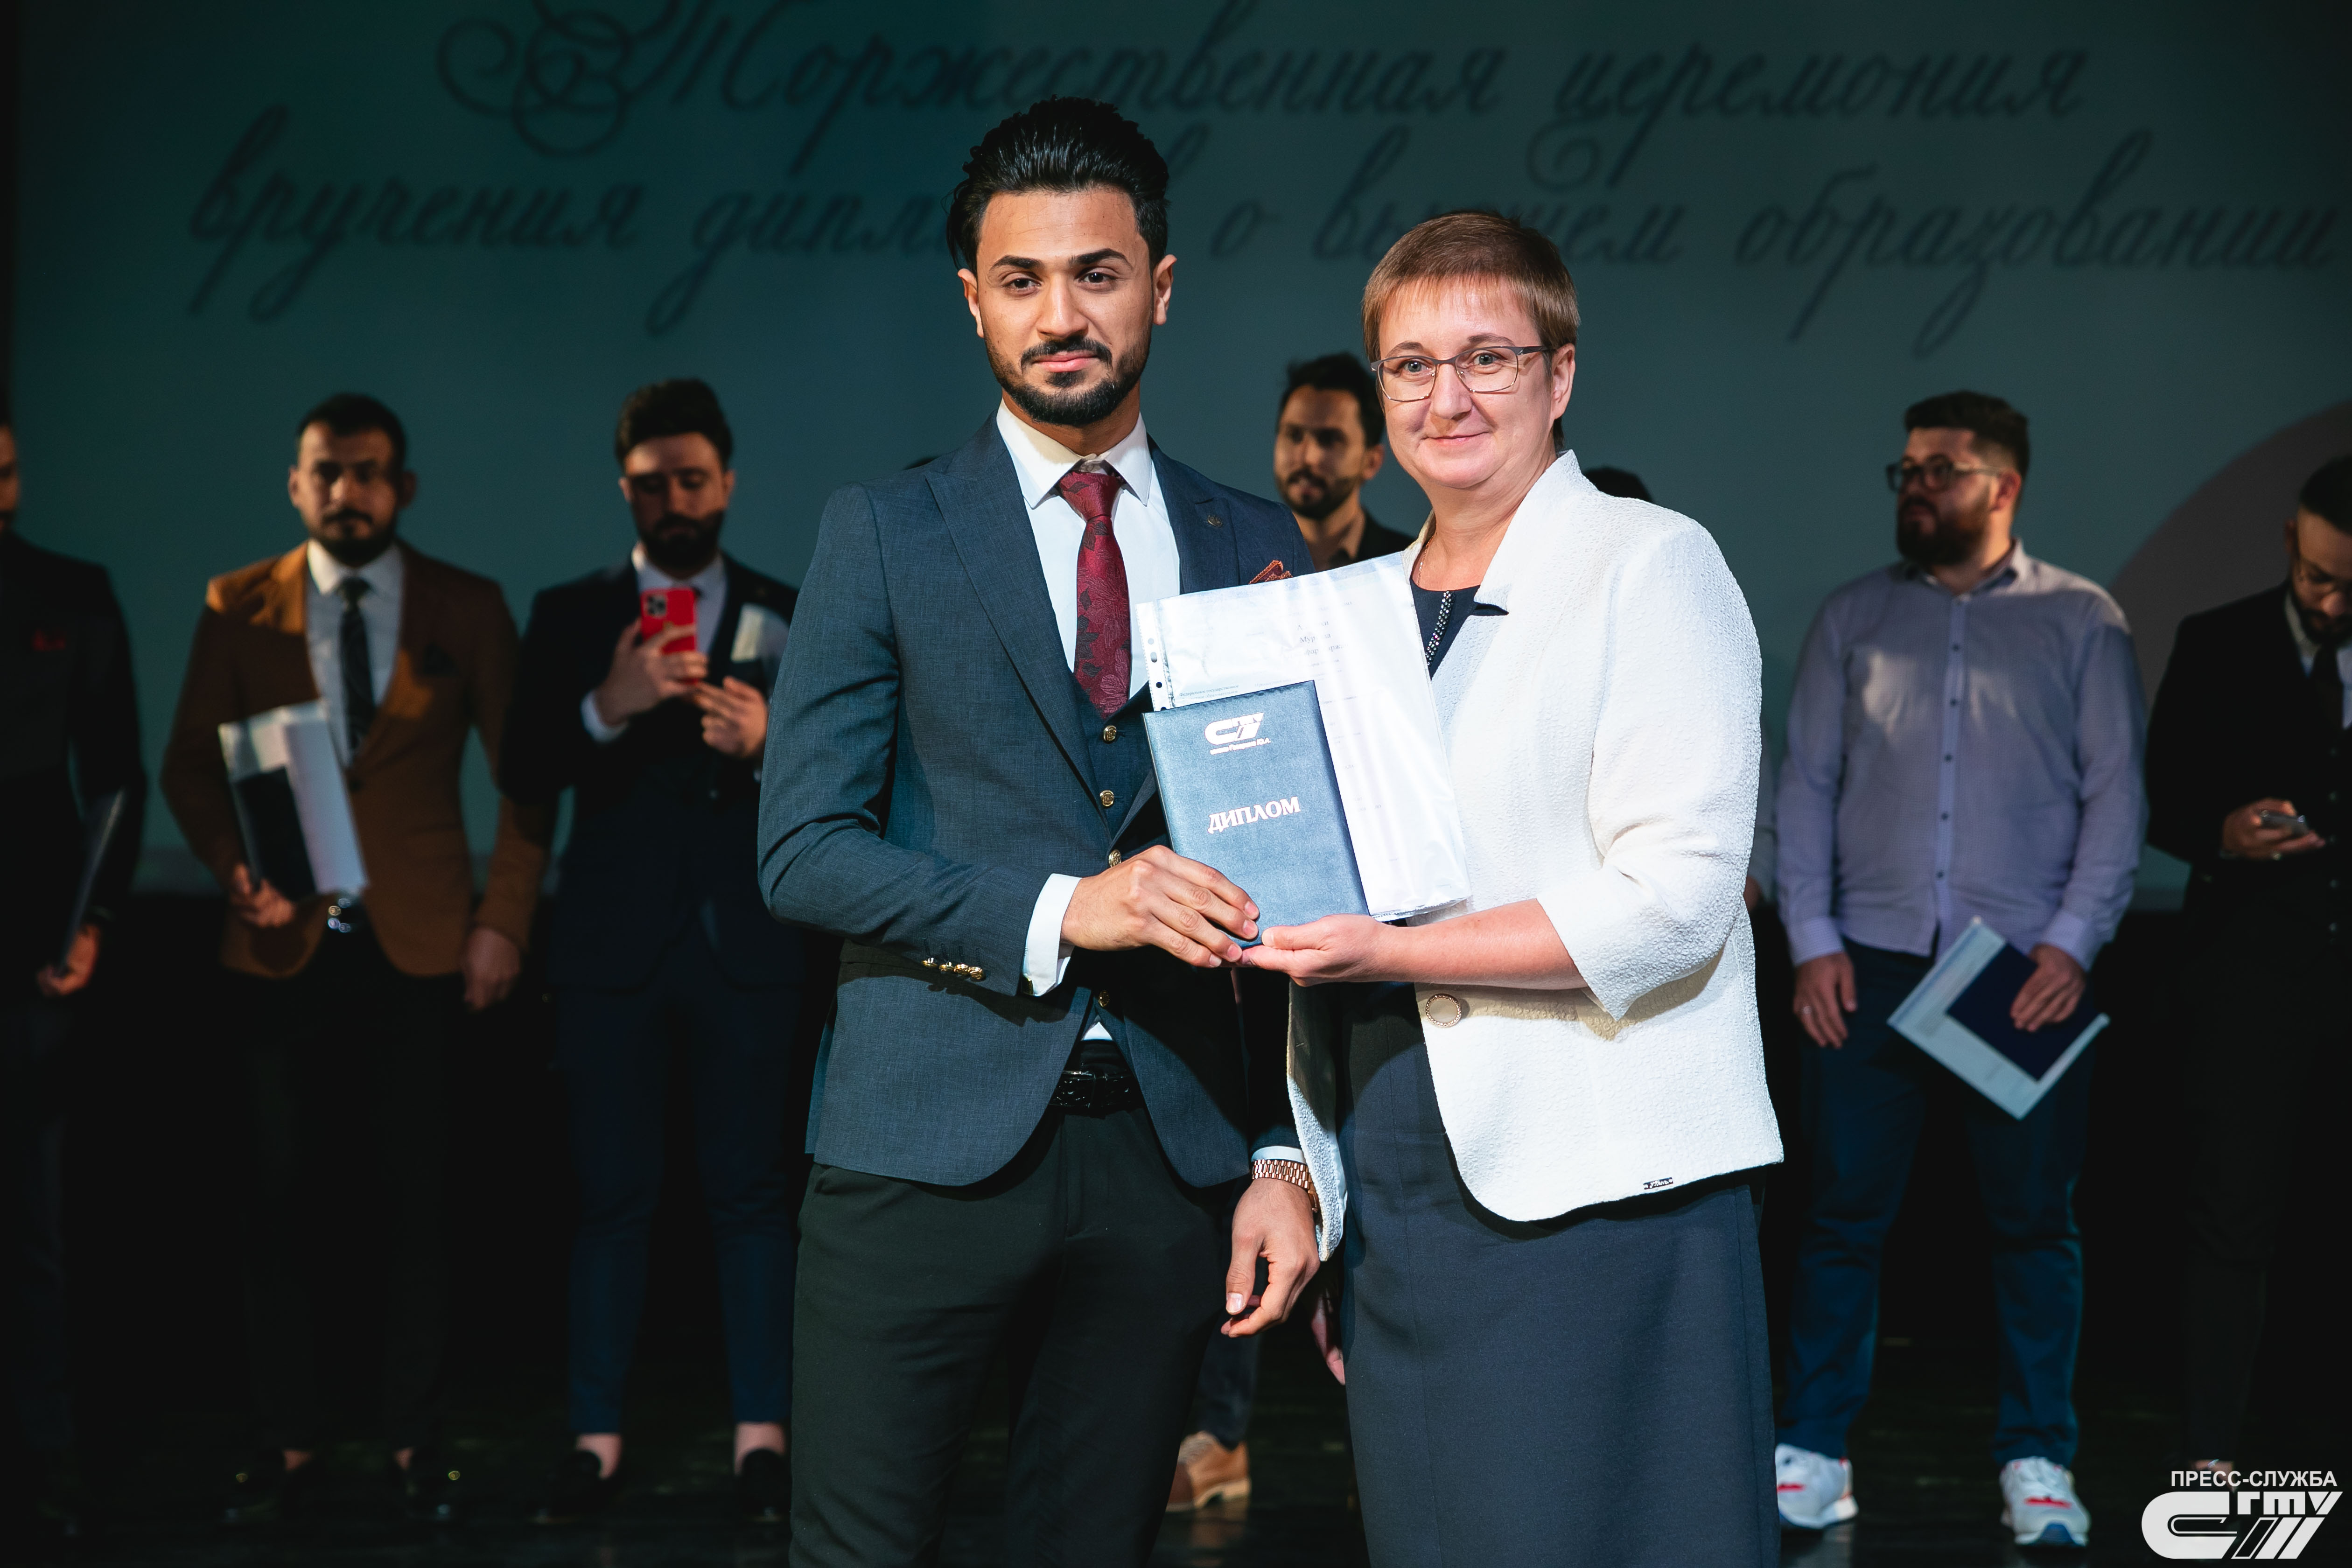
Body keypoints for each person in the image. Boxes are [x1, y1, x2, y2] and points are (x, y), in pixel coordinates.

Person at [759, 97, 1317, 1568]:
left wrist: (1280, 1148)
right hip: (917, 1141)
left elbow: (1300, 877)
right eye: (1022, 279)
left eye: (1097, 273)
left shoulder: (1259, 548)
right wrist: (1068, 908)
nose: (1060, 314)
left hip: (1170, 1157)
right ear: (973, 299)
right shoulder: (883, 530)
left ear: (1161, 286)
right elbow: (802, 848)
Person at [1242, 210, 1784, 1566]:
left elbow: (1678, 901)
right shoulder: (1352, 610)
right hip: (1399, 1183)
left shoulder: (1650, 564)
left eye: (1488, 357)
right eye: (1413, 366)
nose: (1449, 397)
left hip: (1598, 1196)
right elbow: (1315, 902)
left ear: (1562, 373)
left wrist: (1391, 954)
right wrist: (1307, 1173)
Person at [158, 393, 549, 1524]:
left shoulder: (469, 605)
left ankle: (415, 1444)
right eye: (326, 471)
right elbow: (190, 765)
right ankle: (288, 1442)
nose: (347, 491)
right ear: (296, 485)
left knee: (419, 1205)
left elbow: (526, 778)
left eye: (368, 471)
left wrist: (504, 919)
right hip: (278, 939)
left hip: (421, 945)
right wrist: (233, 866)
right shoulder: (238, 602)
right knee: (277, 1205)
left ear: (403, 488)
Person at [1773, 392, 2145, 1549]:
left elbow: (2117, 797)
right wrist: (1813, 942)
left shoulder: (2082, 619)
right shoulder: (1854, 616)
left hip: (2017, 974)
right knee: (1841, 1219)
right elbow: (1804, 788)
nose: (1917, 486)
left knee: (2034, 1227)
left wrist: (2071, 946)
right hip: (1869, 968)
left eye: (1942, 469)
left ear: (2004, 487)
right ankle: (1814, 1450)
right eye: (1909, 469)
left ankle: (2039, 1459)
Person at [500, 379, 804, 1525]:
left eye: (692, 480)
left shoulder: (788, 607)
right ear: (623, 489)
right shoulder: (571, 612)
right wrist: (605, 704)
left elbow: (849, 776)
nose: (673, 501)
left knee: (754, 1200)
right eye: (650, 484)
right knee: (609, 1202)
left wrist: (772, 743)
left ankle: (762, 1443)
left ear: (727, 484)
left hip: (749, 945)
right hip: (609, 952)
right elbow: (523, 770)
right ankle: (595, 1443)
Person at [2145, 453, 2351, 1477]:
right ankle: (2212, 1456)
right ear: (2289, 544)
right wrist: (2222, 832)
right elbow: (2162, 797)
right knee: (2231, 1221)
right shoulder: (2217, 641)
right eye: (2318, 577)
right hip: (2249, 986)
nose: (2332, 602)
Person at [0, 400, 146, 1544]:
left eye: (3, 470)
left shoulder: (70, 592)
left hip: (34, 944)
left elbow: (116, 774)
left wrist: (91, 919)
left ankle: (41, 1459)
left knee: (34, 1221)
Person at [1582, 464, 1780, 912]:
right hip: (1554, 930)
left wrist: (1701, 929)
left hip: (1682, 925)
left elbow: (1756, 839)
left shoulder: (1708, 673)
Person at [1273, 354, 1412, 571]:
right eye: (1294, 435)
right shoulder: (1242, 560)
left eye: (1329, 440)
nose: (1307, 457)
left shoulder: (1409, 567)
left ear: (1372, 462)